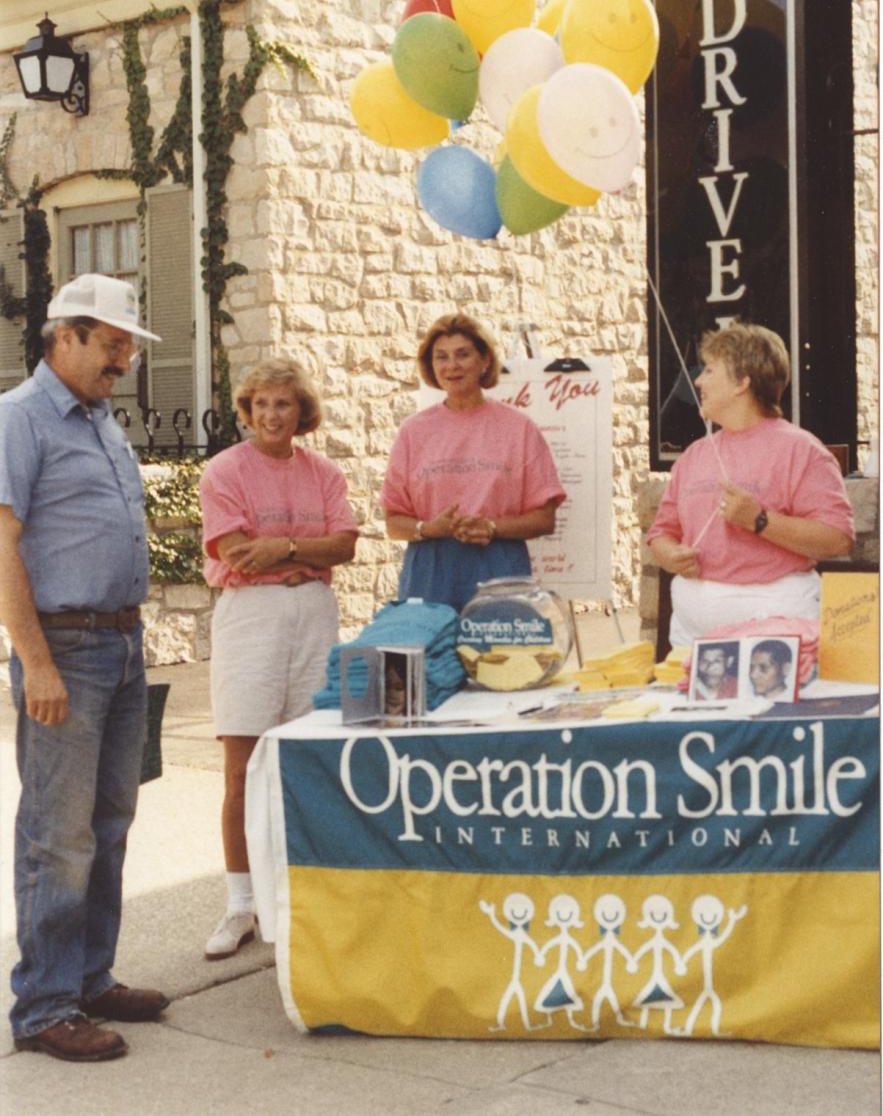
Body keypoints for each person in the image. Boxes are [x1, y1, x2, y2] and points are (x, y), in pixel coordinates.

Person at [0, 273, 169, 1062]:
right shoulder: (18, 419)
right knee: (57, 836)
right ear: (63, 336)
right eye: (111, 344)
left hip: (123, 647)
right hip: (64, 652)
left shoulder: (101, 420)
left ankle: (90, 978)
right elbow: (2, 545)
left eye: (127, 345)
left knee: (109, 826)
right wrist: (35, 663)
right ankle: (43, 1008)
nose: (123, 360)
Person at [199, 358, 358, 959]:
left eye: (283, 405)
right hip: (251, 615)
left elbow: (344, 545)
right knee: (242, 765)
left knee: (305, 757)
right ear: (246, 410)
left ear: (301, 413)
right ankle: (241, 902)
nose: (271, 415)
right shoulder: (225, 471)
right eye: (260, 404)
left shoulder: (323, 473)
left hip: (313, 611)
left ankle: (297, 891)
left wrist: (286, 548)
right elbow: (238, 555)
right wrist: (302, 552)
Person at [648, 323, 854, 647]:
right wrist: (671, 555)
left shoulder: (802, 450)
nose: (698, 380)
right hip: (692, 630)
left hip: (773, 624)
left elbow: (837, 539)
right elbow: (661, 532)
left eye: (710, 370)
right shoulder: (693, 455)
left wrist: (759, 520)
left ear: (742, 382)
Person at [380, 313, 565, 612]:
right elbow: (393, 523)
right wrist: (429, 528)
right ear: (431, 366)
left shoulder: (519, 428)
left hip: (499, 569)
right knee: (431, 659)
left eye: (462, 354)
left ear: (484, 361)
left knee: (501, 658)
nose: (451, 365)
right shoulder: (413, 431)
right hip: (429, 573)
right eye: (441, 357)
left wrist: (491, 527)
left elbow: (545, 519)